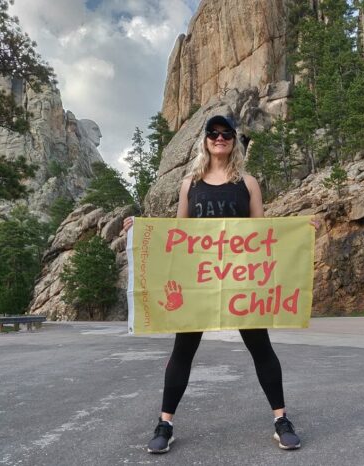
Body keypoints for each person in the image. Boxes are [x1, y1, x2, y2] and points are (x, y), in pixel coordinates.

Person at [123, 115, 318, 454]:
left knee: (261, 348)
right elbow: (179, 234)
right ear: (205, 140)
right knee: (183, 351)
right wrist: (140, 228)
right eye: (213, 133)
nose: (219, 137)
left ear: (233, 141)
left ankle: (281, 420)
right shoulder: (190, 184)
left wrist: (300, 230)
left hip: (241, 280)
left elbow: (261, 233)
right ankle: (165, 424)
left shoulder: (248, 183)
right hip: (199, 281)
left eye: (226, 133)